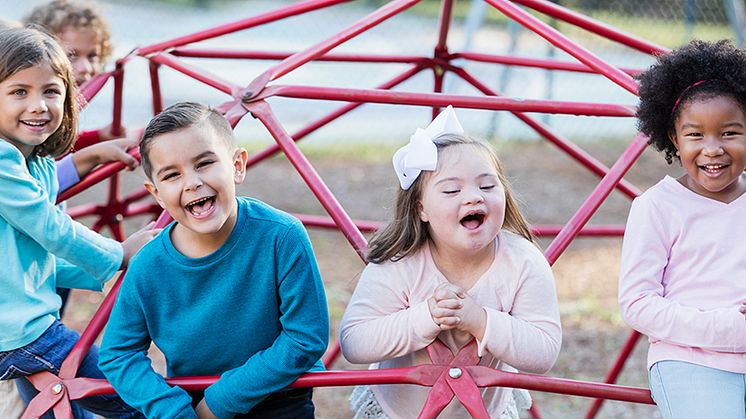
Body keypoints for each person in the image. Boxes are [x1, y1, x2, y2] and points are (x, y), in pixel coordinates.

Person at [98, 102, 330, 419]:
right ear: (156, 194)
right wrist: (170, 409)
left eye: (204, 163)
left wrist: (220, 402)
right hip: (191, 400)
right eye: (172, 174)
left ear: (237, 165)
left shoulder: (281, 236)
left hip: (279, 396)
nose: (192, 182)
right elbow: (118, 354)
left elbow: (306, 338)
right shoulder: (149, 264)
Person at [339, 106, 562, 419]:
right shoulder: (400, 261)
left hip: (484, 411)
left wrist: (481, 321)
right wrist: (425, 318)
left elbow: (544, 350)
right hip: (397, 411)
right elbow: (355, 342)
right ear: (421, 209)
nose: (473, 197)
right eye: (452, 190)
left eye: (487, 186)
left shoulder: (523, 262)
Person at [0, 27, 157, 418]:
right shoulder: (1, 160)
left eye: (50, 91)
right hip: (21, 334)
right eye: (19, 92)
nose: (38, 105)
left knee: (58, 408)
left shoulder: (35, 162)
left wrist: (99, 275)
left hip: (24, 331)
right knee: (137, 398)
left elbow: (35, 258)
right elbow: (49, 227)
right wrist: (118, 253)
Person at [619, 39, 746, 419]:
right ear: (673, 138)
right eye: (695, 135)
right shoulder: (656, 207)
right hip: (691, 360)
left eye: (729, 133)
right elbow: (637, 303)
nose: (712, 149)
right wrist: (721, 327)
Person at [25, 0, 140, 317]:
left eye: (93, 56)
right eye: (72, 55)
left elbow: (55, 147)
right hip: (36, 246)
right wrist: (93, 154)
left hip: (49, 250)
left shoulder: (40, 119)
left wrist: (98, 138)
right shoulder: (21, 129)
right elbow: (37, 179)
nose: (87, 68)